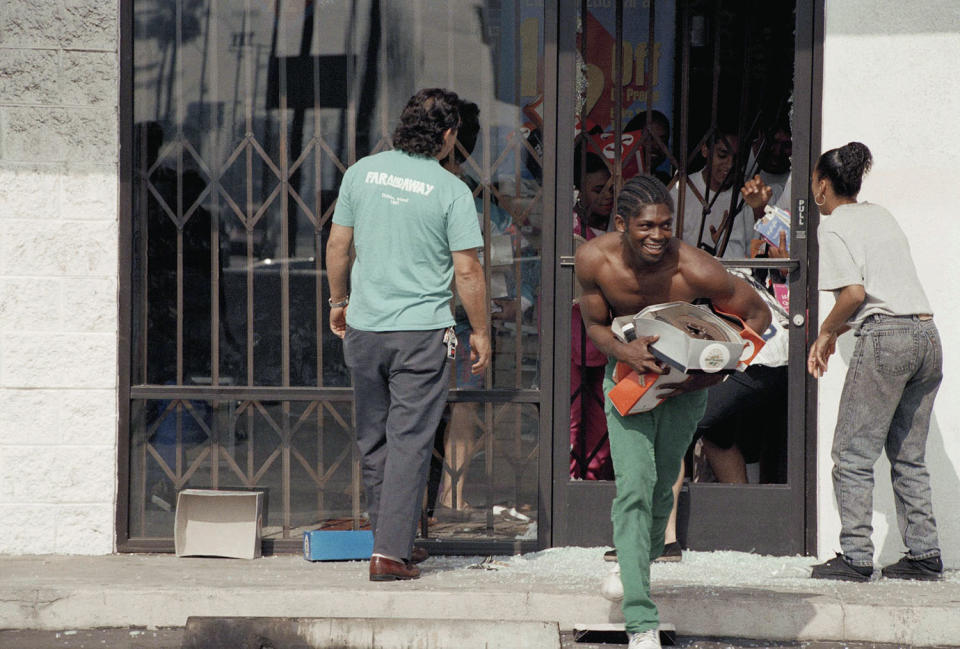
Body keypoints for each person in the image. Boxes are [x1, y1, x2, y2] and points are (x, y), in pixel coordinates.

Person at [576, 174, 770, 648]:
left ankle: (632, 569)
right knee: (635, 487)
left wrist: (718, 368)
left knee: (662, 488)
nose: (658, 236)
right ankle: (641, 620)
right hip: (628, 381)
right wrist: (623, 353)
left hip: (688, 390)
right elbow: (595, 325)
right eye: (645, 226)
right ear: (621, 224)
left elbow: (758, 314)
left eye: (666, 225)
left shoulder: (695, 269)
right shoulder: (593, 259)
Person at [325, 88, 491, 581]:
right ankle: (390, 553)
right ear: (447, 135)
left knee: (374, 438)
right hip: (420, 333)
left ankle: (390, 541)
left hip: (365, 328)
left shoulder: (361, 173)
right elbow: (468, 272)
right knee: (409, 441)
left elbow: (338, 244)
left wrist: (338, 302)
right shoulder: (450, 190)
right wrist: (480, 329)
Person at [807, 142, 943, 582]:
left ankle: (855, 557)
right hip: (926, 336)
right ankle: (924, 554)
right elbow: (886, 292)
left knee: (851, 453)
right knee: (908, 454)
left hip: (887, 338)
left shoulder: (831, 226)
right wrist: (835, 332)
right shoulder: (880, 214)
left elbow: (855, 295)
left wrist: (825, 333)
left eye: (814, 182)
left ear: (823, 186)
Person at [571, 150, 615, 480]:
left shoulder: (619, 228)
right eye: (597, 189)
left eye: (611, 188)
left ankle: (592, 480)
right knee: (571, 414)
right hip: (571, 332)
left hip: (606, 336)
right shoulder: (569, 229)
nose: (606, 196)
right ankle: (571, 479)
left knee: (603, 416)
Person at [670, 128, 753, 259]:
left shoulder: (747, 197)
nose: (730, 164)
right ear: (705, 150)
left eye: (737, 158)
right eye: (722, 155)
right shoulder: (680, 191)